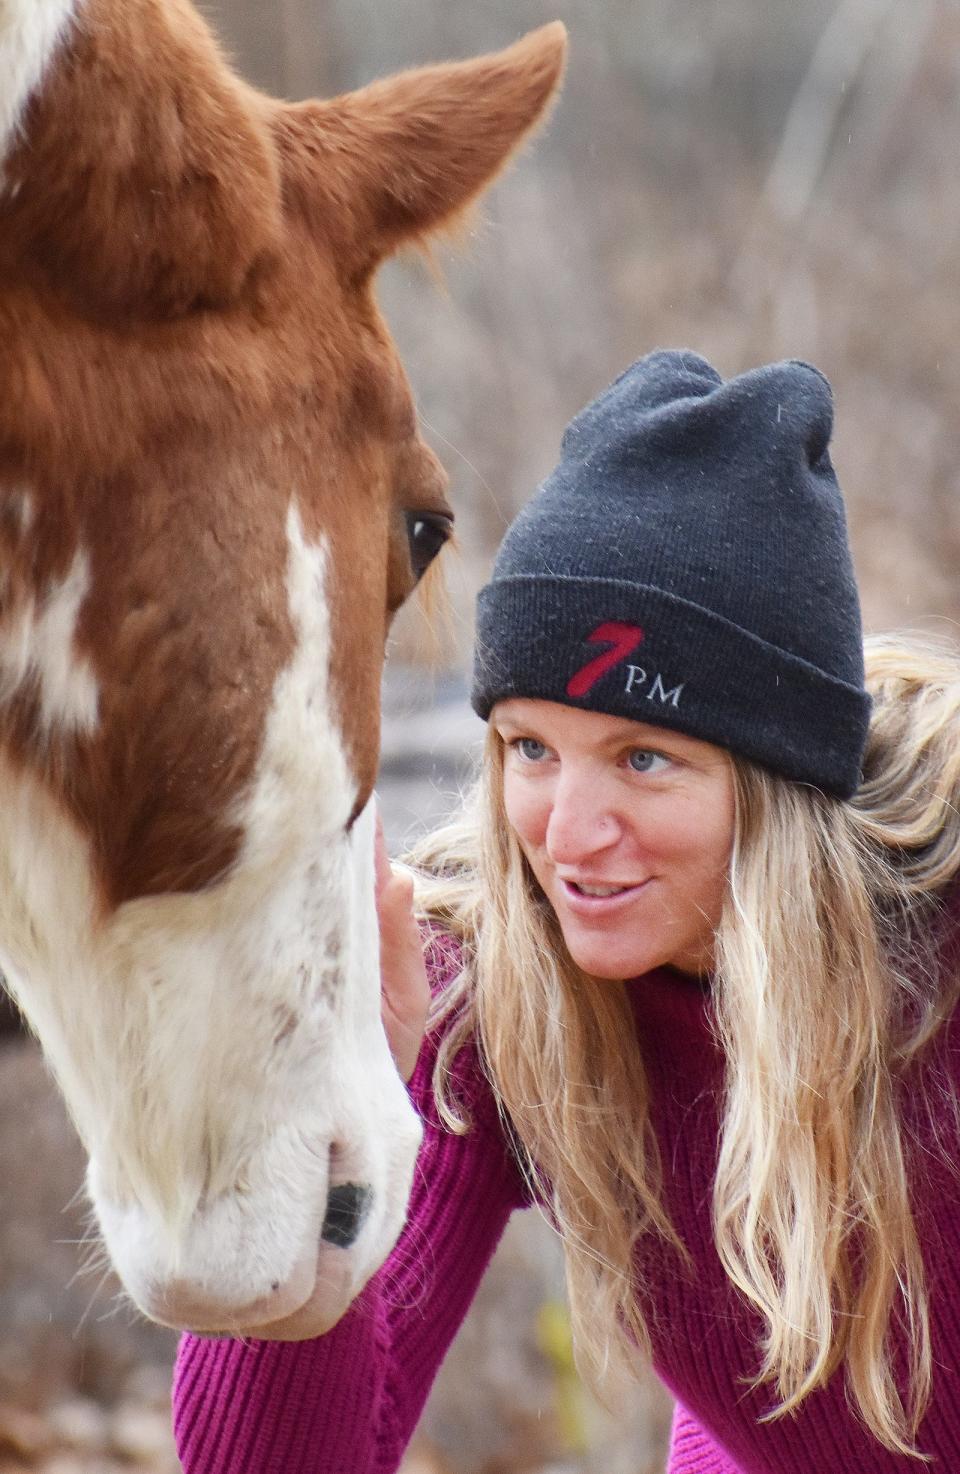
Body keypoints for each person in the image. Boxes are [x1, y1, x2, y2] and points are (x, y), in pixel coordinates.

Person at [173, 351, 960, 1473]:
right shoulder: (486, 994)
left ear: (779, 783)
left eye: (644, 758)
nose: (568, 834)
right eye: (530, 748)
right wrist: (313, 1122)